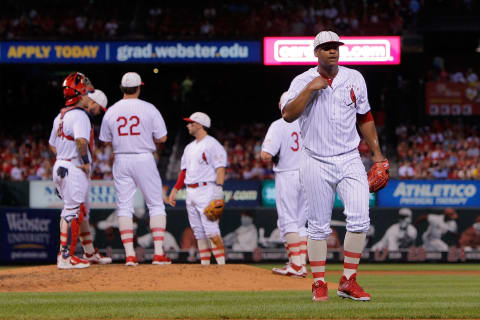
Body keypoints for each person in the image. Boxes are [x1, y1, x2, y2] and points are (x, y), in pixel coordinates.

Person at [281, 31, 388, 302]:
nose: (332, 51)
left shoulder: (355, 78)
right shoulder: (302, 80)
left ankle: (348, 280)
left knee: (361, 220)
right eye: (326, 47)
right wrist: (309, 89)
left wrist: (377, 156)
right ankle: (318, 282)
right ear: (316, 52)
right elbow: (288, 115)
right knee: (317, 226)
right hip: (315, 159)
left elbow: (365, 117)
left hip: (350, 156)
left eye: (336, 47)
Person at [99, 72, 170, 266]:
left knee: (124, 206)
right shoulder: (149, 108)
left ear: (122, 88)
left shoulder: (112, 110)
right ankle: (157, 253)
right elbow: (162, 138)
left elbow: (104, 140)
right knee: (155, 204)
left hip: (121, 158)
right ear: (139, 87)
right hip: (143, 157)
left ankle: (130, 255)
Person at [49, 72, 112, 269]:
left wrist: (62, 157)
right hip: (74, 167)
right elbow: (81, 141)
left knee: (80, 211)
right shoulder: (79, 116)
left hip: (62, 164)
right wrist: (84, 161)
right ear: (82, 94)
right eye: (86, 93)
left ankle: (89, 253)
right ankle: (66, 256)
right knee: (72, 212)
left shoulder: (61, 115)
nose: (87, 97)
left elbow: (52, 144)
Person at [168, 112, 227, 265]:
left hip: (207, 189)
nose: (188, 125)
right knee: (198, 232)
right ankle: (205, 265)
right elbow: (184, 171)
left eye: (191, 123)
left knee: (211, 229)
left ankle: (222, 265)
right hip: (190, 191)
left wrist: (218, 191)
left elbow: (220, 168)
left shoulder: (212, 144)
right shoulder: (189, 147)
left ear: (199, 125)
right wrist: (175, 190)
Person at [261, 92, 308, 278]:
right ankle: (301, 265)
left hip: (288, 173)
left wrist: (273, 155)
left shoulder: (279, 124)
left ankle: (295, 265)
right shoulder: (309, 121)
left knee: (287, 220)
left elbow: (265, 154)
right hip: (309, 174)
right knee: (301, 223)